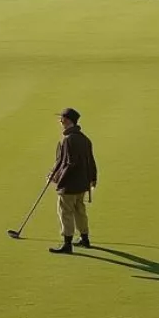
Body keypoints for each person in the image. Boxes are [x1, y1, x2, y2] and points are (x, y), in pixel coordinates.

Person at [47, 108, 98, 255]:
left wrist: (58, 179)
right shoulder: (85, 139)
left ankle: (67, 244)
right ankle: (85, 239)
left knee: (65, 212)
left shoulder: (68, 140)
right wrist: (93, 178)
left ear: (68, 120)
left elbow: (69, 163)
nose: (60, 121)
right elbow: (91, 161)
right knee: (79, 210)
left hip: (69, 184)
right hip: (82, 183)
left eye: (62, 118)